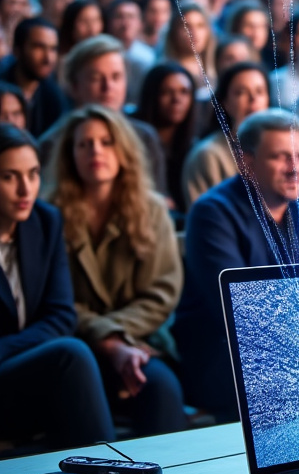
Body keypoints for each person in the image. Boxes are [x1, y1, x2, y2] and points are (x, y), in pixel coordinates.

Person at [174, 109, 299, 421]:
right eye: (280, 157)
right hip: (226, 355)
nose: (294, 168)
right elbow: (243, 310)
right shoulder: (212, 213)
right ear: (247, 163)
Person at [48, 105, 185, 435]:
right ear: (71, 155)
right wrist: (107, 343)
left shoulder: (151, 209)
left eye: (106, 141)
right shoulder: (50, 214)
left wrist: (117, 338)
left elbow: (161, 294)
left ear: (122, 149)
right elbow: (56, 301)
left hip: (140, 341)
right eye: (84, 144)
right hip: (75, 343)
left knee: (161, 389)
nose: (96, 150)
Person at [0, 123, 116, 450]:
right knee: (71, 354)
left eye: (33, 173)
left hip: (21, 364)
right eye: (9, 177)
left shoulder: (45, 220)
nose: (26, 189)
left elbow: (62, 315)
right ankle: (109, 470)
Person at [41, 34, 168, 195]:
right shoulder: (52, 144)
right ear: (74, 86)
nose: (108, 87)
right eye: (96, 78)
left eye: (116, 77)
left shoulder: (145, 137)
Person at [180, 61, 269, 209]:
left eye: (260, 91)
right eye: (241, 92)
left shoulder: (283, 148)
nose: (253, 99)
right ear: (225, 103)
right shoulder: (208, 155)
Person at [132, 63, 196, 214]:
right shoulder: (134, 136)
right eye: (167, 92)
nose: (176, 100)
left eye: (184, 92)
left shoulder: (193, 145)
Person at [0, 17, 68, 137]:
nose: (48, 58)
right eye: (39, 47)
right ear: (17, 50)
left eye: (53, 49)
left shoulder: (53, 96)